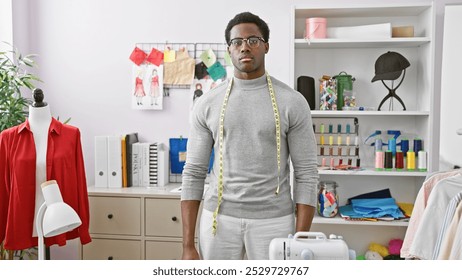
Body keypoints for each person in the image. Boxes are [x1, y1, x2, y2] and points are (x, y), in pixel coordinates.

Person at [180, 12, 318, 260]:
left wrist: (301, 239)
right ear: (229, 50)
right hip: (218, 221)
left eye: (253, 40)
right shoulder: (207, 104)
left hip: (275, 221)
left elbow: (306, 173)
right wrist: (188, 245)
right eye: (237, 42)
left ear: (266, 46)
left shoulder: (292, 102)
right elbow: (194, 171)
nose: (245, 47)